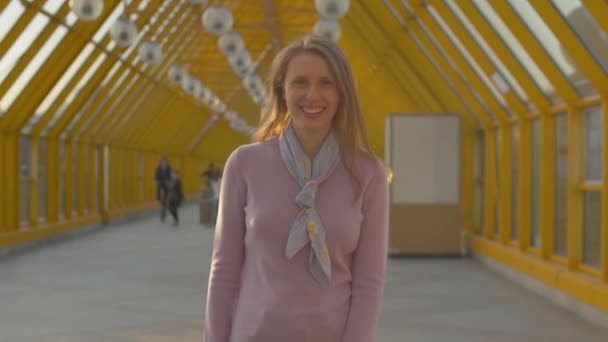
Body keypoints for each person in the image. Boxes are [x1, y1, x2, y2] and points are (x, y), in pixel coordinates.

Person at [204, 35, 389, 342]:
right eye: (300, 82)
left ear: (343, 92)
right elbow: (224, 271)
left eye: (326, 83)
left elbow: (369, 283)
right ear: (282, 89)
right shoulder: (245, 164)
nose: (312, 95)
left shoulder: (368, 174)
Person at [154, 156, 172, 222]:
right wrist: (156, 181)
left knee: (165, 197)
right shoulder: (158, 168)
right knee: (159, 197)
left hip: (166, 184)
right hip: (160, 183)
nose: (163, 163)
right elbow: (156, 176)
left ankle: (164, 209)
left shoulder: (169, 168)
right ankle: (163, 207)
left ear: (166, 162)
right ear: (161, 162)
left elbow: (170, 175)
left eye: (165, 162)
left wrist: (169, 182)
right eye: (162, 162)